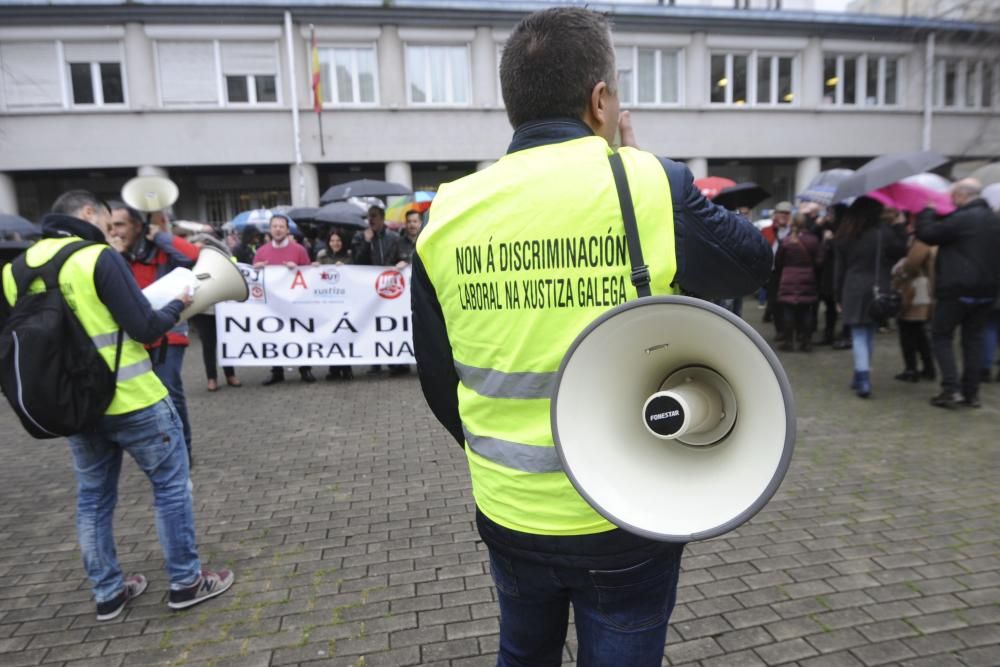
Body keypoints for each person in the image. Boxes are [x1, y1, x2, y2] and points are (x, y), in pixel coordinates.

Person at [410, 8, 771, 666]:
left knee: (522, 653)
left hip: (509, 507)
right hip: (625, 513)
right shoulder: (648, 182)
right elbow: (751, 261)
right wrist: (631, 157)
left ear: (513, 104)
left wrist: (499, 458)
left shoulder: (446, 210)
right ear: (601, 99)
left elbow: (437, 377)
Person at [1, 190, 234, 621]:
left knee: (93, 499)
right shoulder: (96, 258)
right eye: (107, 224)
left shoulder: (15, 271)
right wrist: (178, 305)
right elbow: (144, 326)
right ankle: (186, 582)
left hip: (76, 406)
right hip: (134, 398)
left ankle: (108, 593)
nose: (111, 233)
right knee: (170, 489)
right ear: (88, 214)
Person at [108, 202, 199, 466]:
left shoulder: (161, 250)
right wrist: (114, 256)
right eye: (111, 226)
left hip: (169, 333)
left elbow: (192, 257)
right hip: (135, 335)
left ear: (138, 226)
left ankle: (183, 451)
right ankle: (159, 448)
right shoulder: (111, 256)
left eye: (121, 225)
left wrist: (159, 235)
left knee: (170, 390)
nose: (115, 231)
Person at [916, 178, 1000, 408]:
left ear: (963, 195)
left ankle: (951, 390)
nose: (951, 199)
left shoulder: (962, 219)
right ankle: (971, 394)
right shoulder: (994, 219)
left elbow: (928, 234)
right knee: (973, 341)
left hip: (956, 288)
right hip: (987, 290)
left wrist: (927, 211)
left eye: (953, 194)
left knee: (941, 336)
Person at [834, 198, 906, 398]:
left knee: (857, 334)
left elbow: (839, 269)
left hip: (853, 287)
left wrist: (837, 294)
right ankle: (861, 375)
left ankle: (862, 377)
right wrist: (899, 225)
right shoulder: (883, 233)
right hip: (878, 287)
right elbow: (901, 250)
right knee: (868, 332)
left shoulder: (845, 234)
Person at [253, 214, 315, 384]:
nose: (278, 229)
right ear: (270, 229)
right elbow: (253, 279)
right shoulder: (261, 252)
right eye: (275, 226)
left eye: (281, 226)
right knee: (274, 335)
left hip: (295, 301)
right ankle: (277, 371)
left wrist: (298, 269)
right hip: (272, 304)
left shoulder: (299, 250)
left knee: (299, 334)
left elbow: (309, 274)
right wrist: (256, 269)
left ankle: (305, 368)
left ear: (287, 230)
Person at [188, 232, 241, 391]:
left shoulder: (221, 258)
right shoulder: (189, 261)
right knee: (208, 345)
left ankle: (230, 375)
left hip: (221, 308)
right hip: (203, 311)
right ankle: (212, 378)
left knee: (226, 343)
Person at [891, 219, 936, 383]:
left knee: (908, 330)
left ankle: (911, 369)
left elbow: (911, 266)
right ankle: (928, 367)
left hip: (916, 290)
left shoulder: (922, 243)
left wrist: (899, 271)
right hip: (926, 289)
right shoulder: (937, 241)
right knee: (919, 331)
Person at [774, 212, 820, 351]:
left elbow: (778, 261)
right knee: (806, 310)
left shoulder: (787, 241)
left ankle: (788, 342)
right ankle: (806, 342)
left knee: (788, 310)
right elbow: (819, 260)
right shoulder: (813, 240)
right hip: (807, 278)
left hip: (788, 278)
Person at [315, 231, 355, 380]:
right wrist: (315, 267)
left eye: (338, 240)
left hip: (344, 303)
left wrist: (346, 267)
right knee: (331, 335)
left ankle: (347, 368)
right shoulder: (322, 257)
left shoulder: (349, 257)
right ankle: (334, 369)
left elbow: (355, 276)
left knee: (344, 335)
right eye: (332, 240)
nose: (335, 243)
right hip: (328, 304)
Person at [761, 201, 793, 340]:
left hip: (790, 273)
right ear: (775, 214)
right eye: (781, 213)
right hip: (773, 273)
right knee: (774, 303)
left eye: (787, 213)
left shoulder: (794, 231)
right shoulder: (767, 230)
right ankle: (780, 330)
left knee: (788, 304)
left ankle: (788, 332)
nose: (784, 216)